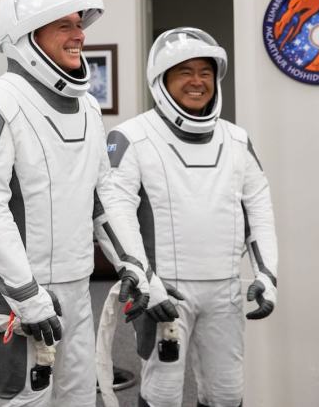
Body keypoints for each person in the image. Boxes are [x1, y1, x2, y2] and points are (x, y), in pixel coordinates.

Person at [0, 0, 150, 407]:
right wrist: (27, 297)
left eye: (79, 23)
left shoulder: (87, 105)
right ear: (27, 36)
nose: (80, 34)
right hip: (12, 294)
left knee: (78, 397)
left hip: (77, 286)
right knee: (22, 401)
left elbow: (102, 199)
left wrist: (132, 264)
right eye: (64, 25)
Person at [104, 27, 278, 407]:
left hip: (225, 290)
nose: (198, 81)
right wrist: (145, 282)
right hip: (165, 292)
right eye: (185, 72)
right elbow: (113, 211)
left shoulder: (236, 140)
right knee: (162, 393)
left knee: (227, 393)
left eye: (206, 72)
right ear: (161, 80)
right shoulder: (131, 137)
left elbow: (260, 207)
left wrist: (266, 274)